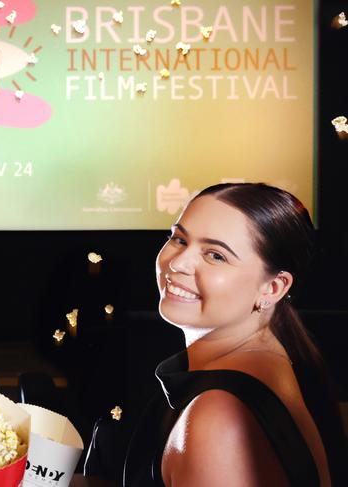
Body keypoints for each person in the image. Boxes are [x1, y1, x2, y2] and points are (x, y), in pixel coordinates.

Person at [121, 183, 347, 487]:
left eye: (215, 256)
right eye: (179, 239)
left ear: (273, 288)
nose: (178, 263)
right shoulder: (277, 360)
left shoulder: (218, 415)